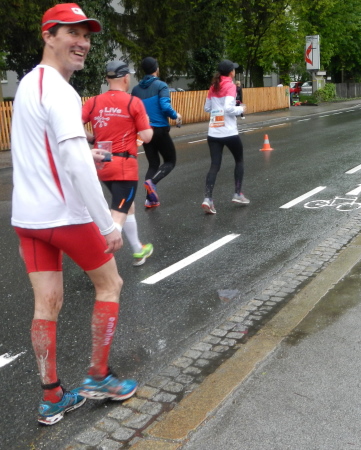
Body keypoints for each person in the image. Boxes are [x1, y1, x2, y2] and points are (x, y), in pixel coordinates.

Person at [10, 3, 137, 426]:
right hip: (65, 215)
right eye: (72, 33)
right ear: (48, 36)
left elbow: (46, 146)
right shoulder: (62, 91)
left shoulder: (29, 83)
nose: (82, 43)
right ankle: (99, 376)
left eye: (86, 35)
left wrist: (85, 150)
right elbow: (73, 163)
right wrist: (106, 224)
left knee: (47, 303)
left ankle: (51, 397)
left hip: (28, 217)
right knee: (110, 284)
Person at [82, 61, 154, 266]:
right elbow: (147, 137)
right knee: (119, 214)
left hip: (102, 164)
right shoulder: (133, 102)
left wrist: (91, 138)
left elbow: (73, 125)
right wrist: (146, 122)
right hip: (124, 166)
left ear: (107, 78)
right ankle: (98, 258)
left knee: (126, 205)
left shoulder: (93, 102)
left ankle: (138, 249)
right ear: (125, 78)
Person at [131, 57, 182, 208]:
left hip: (144, 131)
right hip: (159, 129)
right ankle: (152, 182)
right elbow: (165, 107)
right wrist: (176, 116)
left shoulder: (135, 90)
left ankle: (150, 199)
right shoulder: (161, 85)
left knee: (153, 164)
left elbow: (133, 111)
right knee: (170, 161)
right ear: (156, 69)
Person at [201, 60, 248, 215]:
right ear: (231, 72)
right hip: (229, 132)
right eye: (234, 69)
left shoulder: (213, 86)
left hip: (214, 133)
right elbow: (228, 108)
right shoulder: (230, 86)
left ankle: (208, 199)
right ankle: (237, 194)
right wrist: (241, 109)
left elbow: (207, 108)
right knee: (239, 160)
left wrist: (217, 109)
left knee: (214, 166)